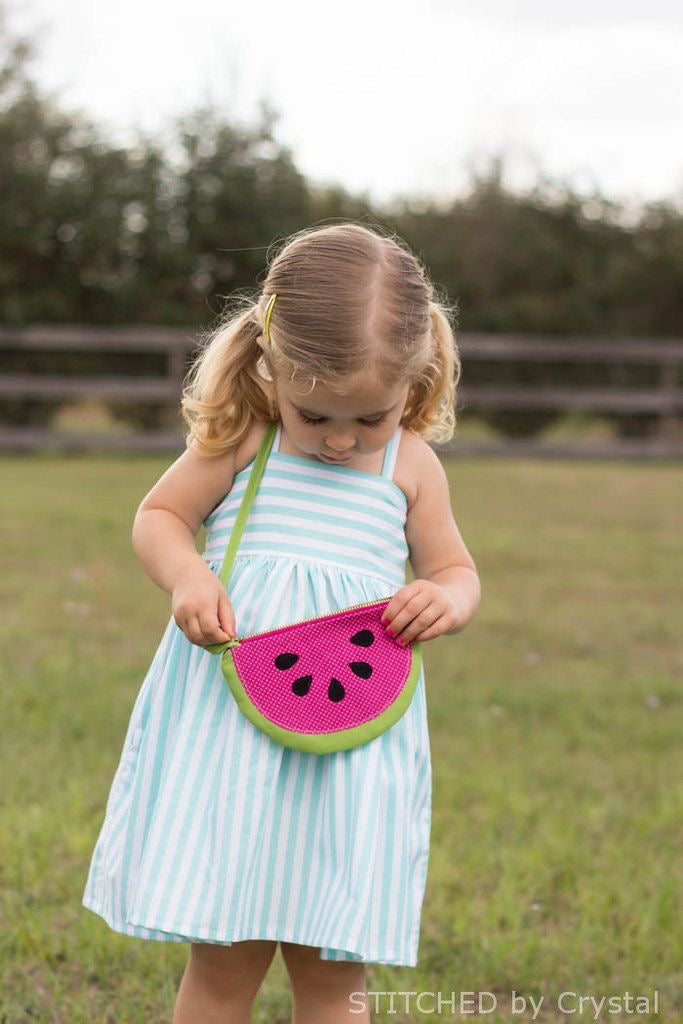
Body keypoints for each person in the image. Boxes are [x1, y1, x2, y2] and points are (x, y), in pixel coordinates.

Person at [82, 221, 481, 1024]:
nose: (340, 440)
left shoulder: (409, 465)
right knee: (222, 968)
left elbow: (455, 570)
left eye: (369, 418)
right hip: (229, 734)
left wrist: (446, 600)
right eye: (316, 416)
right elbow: (159, 516)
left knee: (336, 979)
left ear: (415, 380)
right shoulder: (244, 442)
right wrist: (187, 574)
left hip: (352, 754)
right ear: (269, 364)